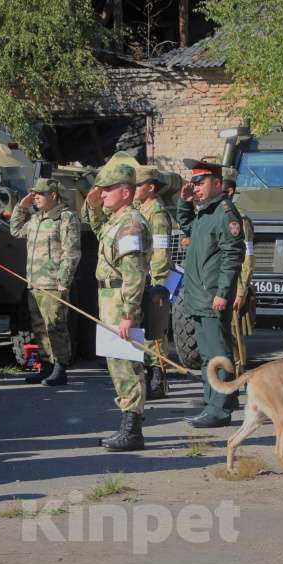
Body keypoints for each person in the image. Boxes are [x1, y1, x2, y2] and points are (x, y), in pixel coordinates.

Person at [81, 165, 151, 451]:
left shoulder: (131, 224)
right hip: (109, 297)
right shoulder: (116, 221)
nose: (103, 193)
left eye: (108, 189)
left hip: (121, 300)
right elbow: (98, 230)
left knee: (127, 366)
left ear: (126, 191)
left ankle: (132, 430)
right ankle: (128, 425)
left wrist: (128, 315)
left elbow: (134, 274)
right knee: (116, 363)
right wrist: (93, 205)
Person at [177, 158, 245, 428]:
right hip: (198, 296)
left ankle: (221, 408)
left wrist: (223, 292)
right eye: (193, 183)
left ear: (217, 183)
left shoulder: (225, 213)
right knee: (207, 355)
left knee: (218, 353)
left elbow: (232, 256)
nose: (195, 188)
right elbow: (187, 227)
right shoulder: (205, 212)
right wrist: (183, 202)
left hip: (212, 296)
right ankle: (214, 402)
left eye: (200, 182)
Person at [10, 178, 81, 386]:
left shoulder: (65, 218)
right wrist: (21, 208)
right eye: (34, 193)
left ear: (53, 195)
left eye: (40, 194)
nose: (36, 197)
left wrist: (64, 280)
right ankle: (46, 365)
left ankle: (60, 367)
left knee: (56, 326)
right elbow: (15, 230)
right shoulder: (35, 219)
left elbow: (72, 252)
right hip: (35, 282)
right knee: (40, 328)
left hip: (53, 282)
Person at [134, 165, 173, 399]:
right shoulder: (141, 209)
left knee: (155, 331)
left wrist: (157, 283)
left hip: (152, 279)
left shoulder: (156, 213)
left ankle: (158, 378)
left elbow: (161, 251)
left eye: (137, 185)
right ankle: (148, 374)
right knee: (145, 329)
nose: (133, 189)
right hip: (140, 277)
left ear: (149, 188)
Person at [223, 168, 255, 375]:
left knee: (235, 334)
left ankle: (238, 372)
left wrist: (241, 292)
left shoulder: (241, 221)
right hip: (217, 285)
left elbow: (248, 259)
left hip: (235, 287)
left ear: (230, 192)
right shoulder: (214, 218)